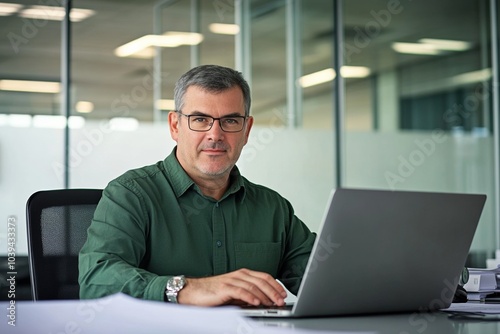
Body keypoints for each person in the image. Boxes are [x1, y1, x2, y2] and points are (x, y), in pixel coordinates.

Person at [78, 64, 316, 307]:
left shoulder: (273, 208)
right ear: (175, 125)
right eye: (200, 119)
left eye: (231, 120)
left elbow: (323, 275)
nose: (215, 135)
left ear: (246, 130)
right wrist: (186, 289)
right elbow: (97, 280)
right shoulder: (131, 195)